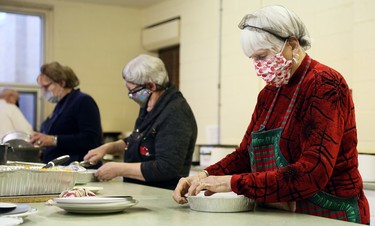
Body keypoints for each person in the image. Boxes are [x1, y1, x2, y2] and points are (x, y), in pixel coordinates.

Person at [172, 5, 370, 224]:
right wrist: (205, 176)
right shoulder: (268, 94)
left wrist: (231, 183)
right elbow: (245, 155)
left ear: (292, 45)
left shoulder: (324, 83)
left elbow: (314, 172)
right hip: (283, 214)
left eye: (263, 56)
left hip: (329, 213)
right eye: (253, 59)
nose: (258, 67)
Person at [84, 54, 197, 190]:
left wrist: (119, 168)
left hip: (163, 194)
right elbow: (139, 139)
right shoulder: (149, 107)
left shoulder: (176, 112)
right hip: (144, 191)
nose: (131, 96)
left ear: (151, 86)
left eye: (133, 91)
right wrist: (108, 148)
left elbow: (166, 167)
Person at [30, 62, 103, 168]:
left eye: (46, 87)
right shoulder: (61, 105)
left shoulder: (82, 101)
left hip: (77, 168)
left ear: (62, 83)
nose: (42, 92)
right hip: (59, 169)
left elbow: (91, 139)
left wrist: (53, 140)